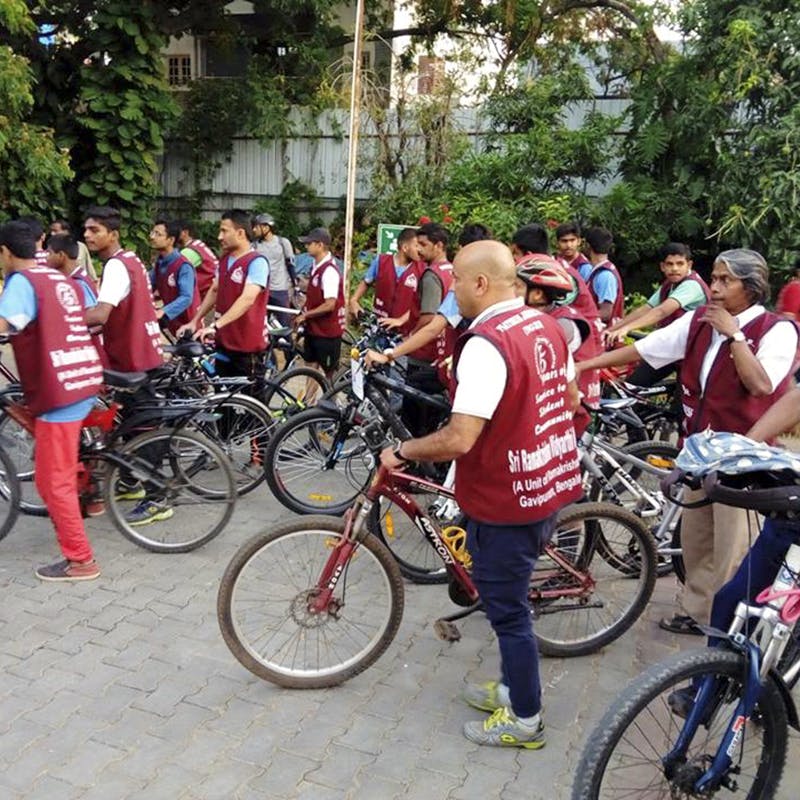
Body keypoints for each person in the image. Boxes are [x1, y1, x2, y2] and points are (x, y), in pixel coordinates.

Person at [379, 239, 582, 747]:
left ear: (480, 284)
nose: (453, 293)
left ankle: (526, 719)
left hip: (509, 497)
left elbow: (460, 437)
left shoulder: (488, 343)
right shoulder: (547, 326)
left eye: (457, 285)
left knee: (506, 608)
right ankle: (513, 687)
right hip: (544, 480)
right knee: (502, 595)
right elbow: (571, 396)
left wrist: (403, 450)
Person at [575, 248, 799, 633]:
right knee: (697, 543)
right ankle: (698, 614)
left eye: (724, 280)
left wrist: (735, 335)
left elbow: (762, 384)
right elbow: (649, 349)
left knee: (733, 548)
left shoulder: (774, 330)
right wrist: (585, 366)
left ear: (751, 286)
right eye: (713, 278)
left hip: (745, 462)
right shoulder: (698, 322)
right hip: (699, 454)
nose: (713, 288)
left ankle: (727, 627)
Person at [0, 221, 104, 581]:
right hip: (80, 380)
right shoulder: (57, 277)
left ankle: (81, 560)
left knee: (50, 481)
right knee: (52, 460)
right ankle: (90, 495)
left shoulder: (21, 283)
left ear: (6, 252)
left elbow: (6, 323)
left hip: (59, 390)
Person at [178, 210, 269, 398]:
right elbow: (214, 290)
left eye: (224, 231)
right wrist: (195, 320)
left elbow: (247, 299)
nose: (219, 237)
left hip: (247, 348)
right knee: (223, 402)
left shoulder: (257, 262)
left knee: (249, 410)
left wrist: (215, 325)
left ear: (240, 233)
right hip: (224, 343)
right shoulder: (225, 259)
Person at [514, 256, 602, 435]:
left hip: (572, 411)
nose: (512, 292)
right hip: (551, 406)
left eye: (518, 286)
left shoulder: (563, 323)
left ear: (537, 293)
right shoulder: (539, 315)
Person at [603, 242, 709, 386]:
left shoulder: (692, 285)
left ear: (689, 265)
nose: (674, 268)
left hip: (692, 353)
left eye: (680, 263)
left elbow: (662, 311)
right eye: (670, 264)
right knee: (633, 386)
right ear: (662, 266)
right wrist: (614, 328)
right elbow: (647, 308)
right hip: (671, 348)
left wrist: (627, 328)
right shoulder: (670, 284)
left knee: (682, 403)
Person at [83, 206, 163, 373]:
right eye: (86, 230)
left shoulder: (115, 266)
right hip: (145, 351)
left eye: (94, 230)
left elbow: (100, 315)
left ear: (113, 235)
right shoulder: (130, 258)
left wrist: (63, 320)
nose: (87, 235)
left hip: (131, 359)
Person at [510, 223, 600, 329]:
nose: (513, 258)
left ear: (528, 256)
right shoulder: (550, 267)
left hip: (583, 335)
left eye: (515, 253)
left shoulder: (556, 276)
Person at [293, 227, 344, 384]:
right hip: (314, 330)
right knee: (311, 369)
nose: (306, 246)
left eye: (309, 243)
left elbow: (330, 304)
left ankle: (331, 405)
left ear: (320, 245)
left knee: (329, 374)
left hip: (327, 334)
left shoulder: (329, 271)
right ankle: (309, 404)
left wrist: (306, 315)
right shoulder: (315, 267)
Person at [348, 227, 422, 335]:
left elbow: (423, 303)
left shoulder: (422, 269)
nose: (420, 250)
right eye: (416, 246)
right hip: (378, 327)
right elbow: (366, 282)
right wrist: (354, 300)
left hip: (405, 333)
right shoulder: (381, 261)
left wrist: (401, 320)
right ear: (405, 247)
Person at [149, 219, 200, 337]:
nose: (152, 237)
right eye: (152, 232)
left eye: (158, 234)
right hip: (173, 322)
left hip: (189, 326)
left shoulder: (183, 266)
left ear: (171, 240)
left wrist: (163, 311)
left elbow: (186, 297)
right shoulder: (159, 263)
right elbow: (147, 286)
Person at [252, 213, 296, 327]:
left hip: (279, 289)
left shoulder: (283, 243)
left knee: (284, 322)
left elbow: (290, 264)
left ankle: (286, 343)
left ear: (266, 227)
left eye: (257, 226)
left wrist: (295, 285)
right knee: (261, 323)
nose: (254, 229)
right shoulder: (254, 246)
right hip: (261, 290)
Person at [583, 227, 624, 326]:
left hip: (605, 334)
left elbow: (606, 312)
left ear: (588, 246)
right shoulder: (597, 271)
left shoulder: (605, 275)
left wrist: (581, 317)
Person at [176, 221, 219, 300]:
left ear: (185, 232)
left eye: (175, 232)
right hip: (213, 289)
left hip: (208, 295)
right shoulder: (198, 245)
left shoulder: (189, 252)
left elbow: (173, 272)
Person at [50, 218, 98, 282]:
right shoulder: (51, 250)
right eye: (51, 231)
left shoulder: (81, 246)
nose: (52, 234)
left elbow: (90, 272)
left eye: (55, 231)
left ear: (66, 231)